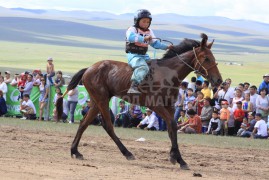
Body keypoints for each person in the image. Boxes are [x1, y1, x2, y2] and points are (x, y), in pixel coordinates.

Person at [126, 9, 173, 94]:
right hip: (133, 55)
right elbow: (130, 37)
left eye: (148, 22)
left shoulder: (149, 31)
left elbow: (155, 44)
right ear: (137, 21)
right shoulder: (132, 29)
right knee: (143, 67)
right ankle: (133, 86)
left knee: (155, 66)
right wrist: (143, 38)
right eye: (144, 21)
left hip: (144, 55)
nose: (146, 24)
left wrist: (167, 47)